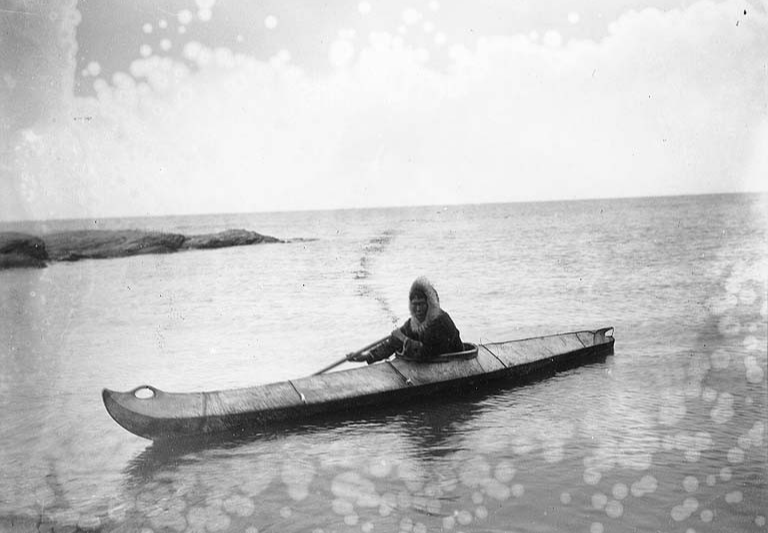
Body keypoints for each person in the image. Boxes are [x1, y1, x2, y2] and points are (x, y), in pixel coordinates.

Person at [351, 277, 463, 363]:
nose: (418, 309)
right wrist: (367, 356)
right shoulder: (413, 323)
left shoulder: (440, 321)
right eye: (415, 304)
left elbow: (426, 352)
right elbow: (392, 343)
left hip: (454, 362)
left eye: (421, 304)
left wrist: (402, 337)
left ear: (429, 304)